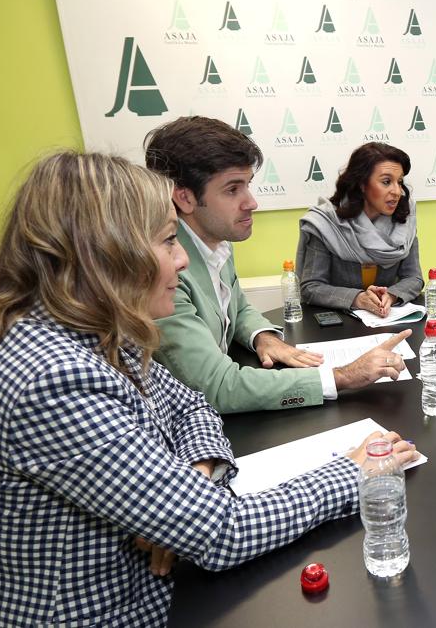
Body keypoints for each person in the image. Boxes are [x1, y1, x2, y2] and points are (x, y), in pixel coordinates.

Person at [0, 152, 418, 627]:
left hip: (156, 583)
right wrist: (354, 470)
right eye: (168, 241)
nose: (183, 258)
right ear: (104, 254)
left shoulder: (97, 330)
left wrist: (195, 476)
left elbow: (191, 404)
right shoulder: (52, 379)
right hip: (115, 611)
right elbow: (223, 532)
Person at [144, 117, 408, 414]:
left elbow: (237, 306)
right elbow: (216, 387)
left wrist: (263, 336)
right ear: (185, 197)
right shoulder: (164, 271)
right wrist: (342, 376)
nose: (251, 202)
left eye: (247, 185)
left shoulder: (216, 239)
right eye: (232, 190)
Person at [297, 142, 424, 318]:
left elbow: (414, 278)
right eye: (387, 182)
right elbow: (311, 287)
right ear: (362, 184)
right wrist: (358, 298)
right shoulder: (326, 223)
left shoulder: (404, 220)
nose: (397, 191)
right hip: (337, 327)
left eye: (399, 182)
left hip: (386, 320)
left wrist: (392, 295)